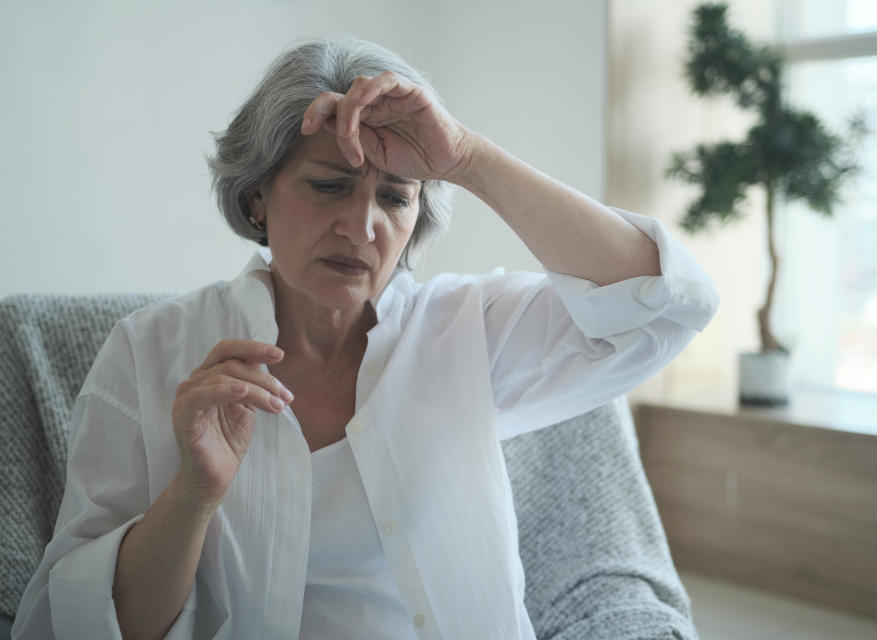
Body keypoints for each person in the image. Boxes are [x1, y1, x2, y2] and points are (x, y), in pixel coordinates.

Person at [12, 37, 719, 639]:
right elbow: (80, 621)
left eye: (394, 197)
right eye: (328, 185)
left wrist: (467, 156)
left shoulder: (465, 330)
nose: (363, 227)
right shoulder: (149, 352)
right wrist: (193, 493)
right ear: (258, 197)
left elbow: (662, 305)